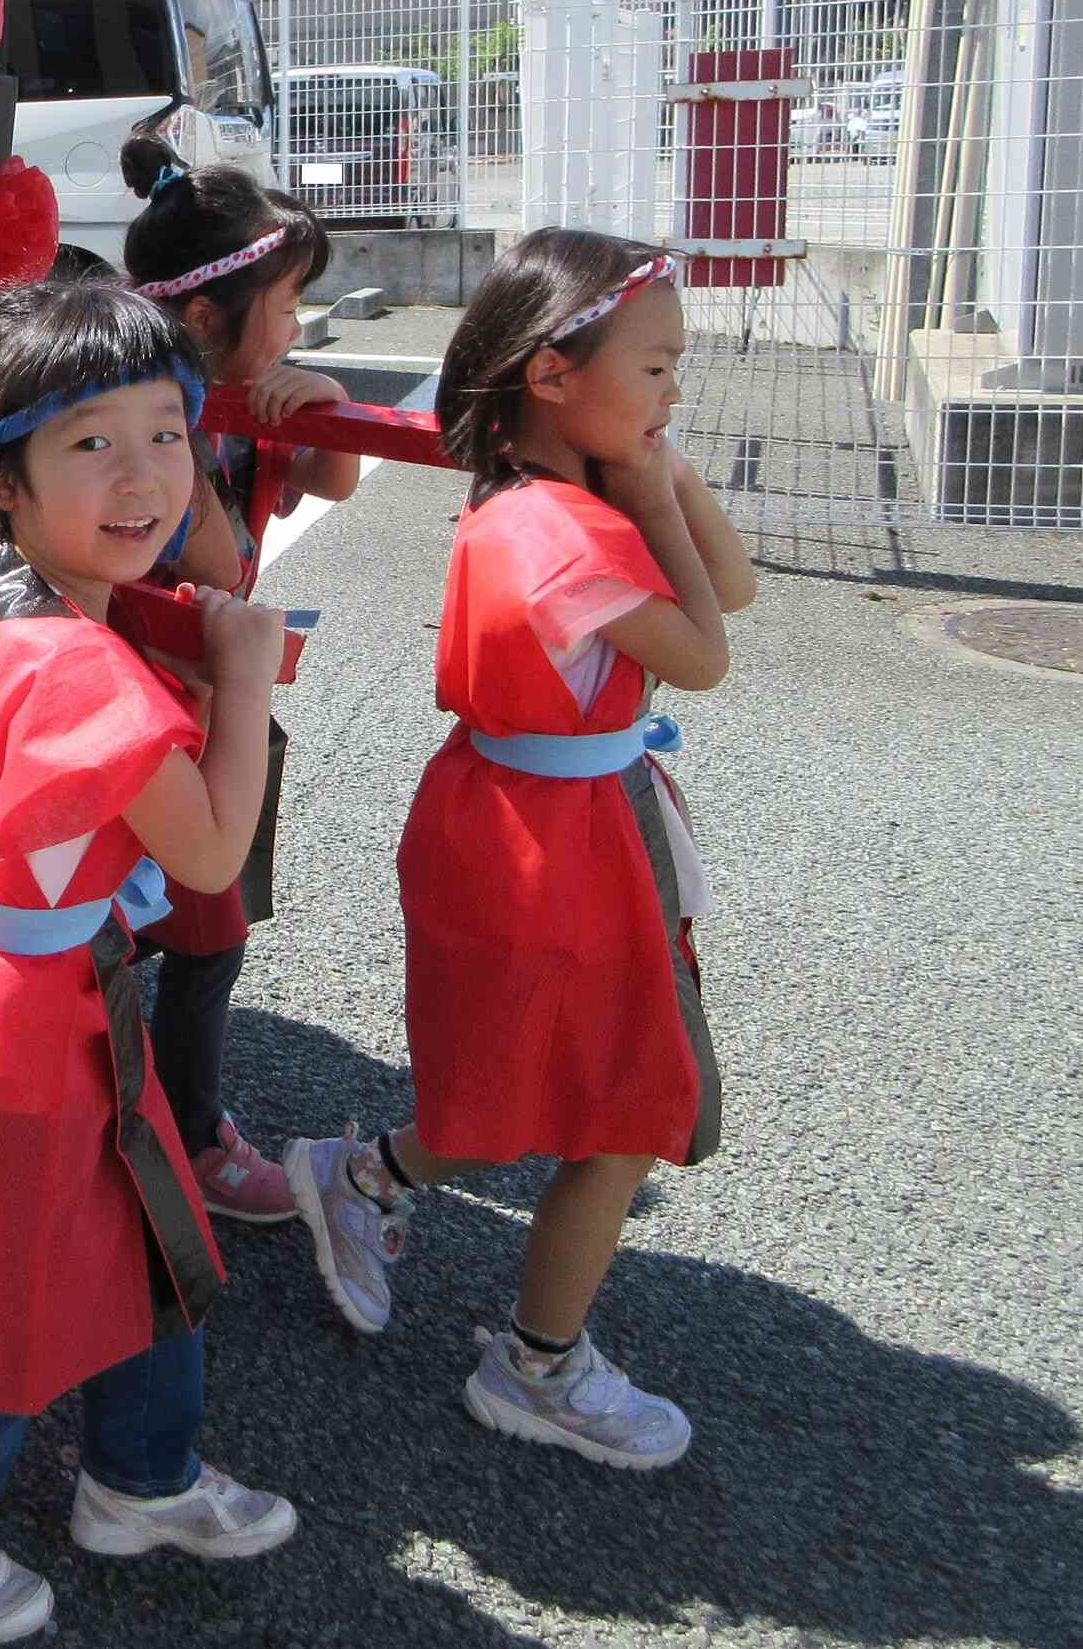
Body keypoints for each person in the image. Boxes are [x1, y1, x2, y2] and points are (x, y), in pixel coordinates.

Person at [0, 278, 299, 1642]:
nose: (147, 473)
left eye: (169, 431)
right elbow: (209, 854)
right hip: (16, 1011)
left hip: (3, 979)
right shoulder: (82, 659)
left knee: (144, 1222)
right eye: (93, 442)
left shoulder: (3, 587)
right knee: (9, 1293)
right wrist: (247, 669)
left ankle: (140, 1472)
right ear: (6, 479)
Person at [284, 231, 756, 1471]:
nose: (671, 396)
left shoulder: (548, 499)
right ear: (553, 376)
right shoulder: (562, 531)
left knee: (548, 1089)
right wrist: (654, 487)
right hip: (546, 841)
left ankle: (371, 1185)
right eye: (656, 369)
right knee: (587, 1101)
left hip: (549, 824)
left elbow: (735, 592)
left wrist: (653, 469)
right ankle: (533, 1362)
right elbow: (709, 653)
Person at [121, 148, 354, 1224]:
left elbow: (331, 480)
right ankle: (175, 1132)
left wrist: (322, 405)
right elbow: (214, 568)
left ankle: (179, 1115)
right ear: (207, 320)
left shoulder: (244, 405)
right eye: (289, 305)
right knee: (158, 931)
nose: (299, 326)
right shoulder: (148, 423)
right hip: (150, 722)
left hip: (220, 708)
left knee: (210, 935)